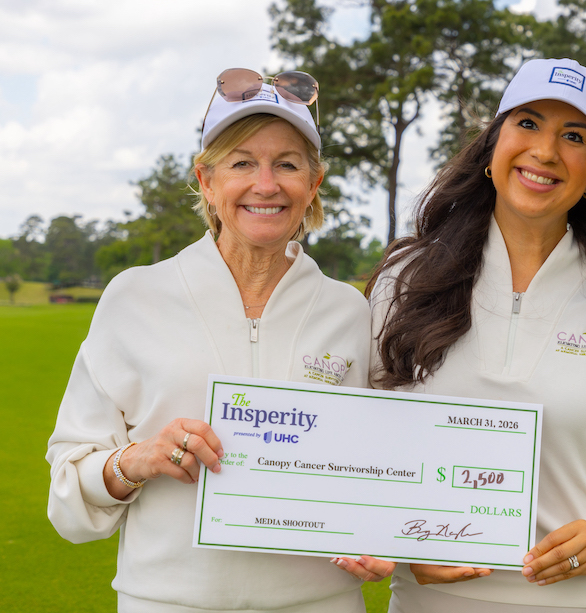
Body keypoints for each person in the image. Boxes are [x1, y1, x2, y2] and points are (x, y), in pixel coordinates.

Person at [343, 58, 586, 612]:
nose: (546, 152)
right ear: (491, 146)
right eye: (527, 123)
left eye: (573, 136)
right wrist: (399, 539)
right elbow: (354, 444)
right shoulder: (404, 284)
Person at [46, 68, 371, 613]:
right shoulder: (134, 298)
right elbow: (68, 497)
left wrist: (382, 533)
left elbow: (382, 467)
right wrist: (137, 460)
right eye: (242, 163)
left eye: (287, 165)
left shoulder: (350, 310)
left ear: (313, 184)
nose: (265, 185)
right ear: (207, 180)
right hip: (166, 602)